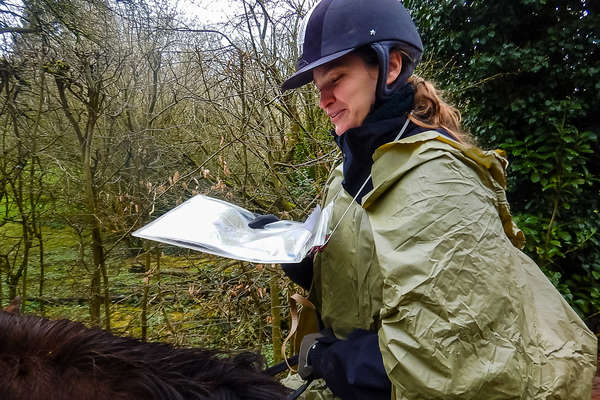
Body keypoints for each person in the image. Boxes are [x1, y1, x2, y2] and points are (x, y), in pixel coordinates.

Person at [271, 0, 598, 399]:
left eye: (336, 80)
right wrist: (305, 263)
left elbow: (455, 356)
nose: (323, 101)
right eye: (318, 88)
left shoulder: (440, 175)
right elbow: (366, 274)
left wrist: (335, 361)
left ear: (390, 67)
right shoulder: (347, 176)